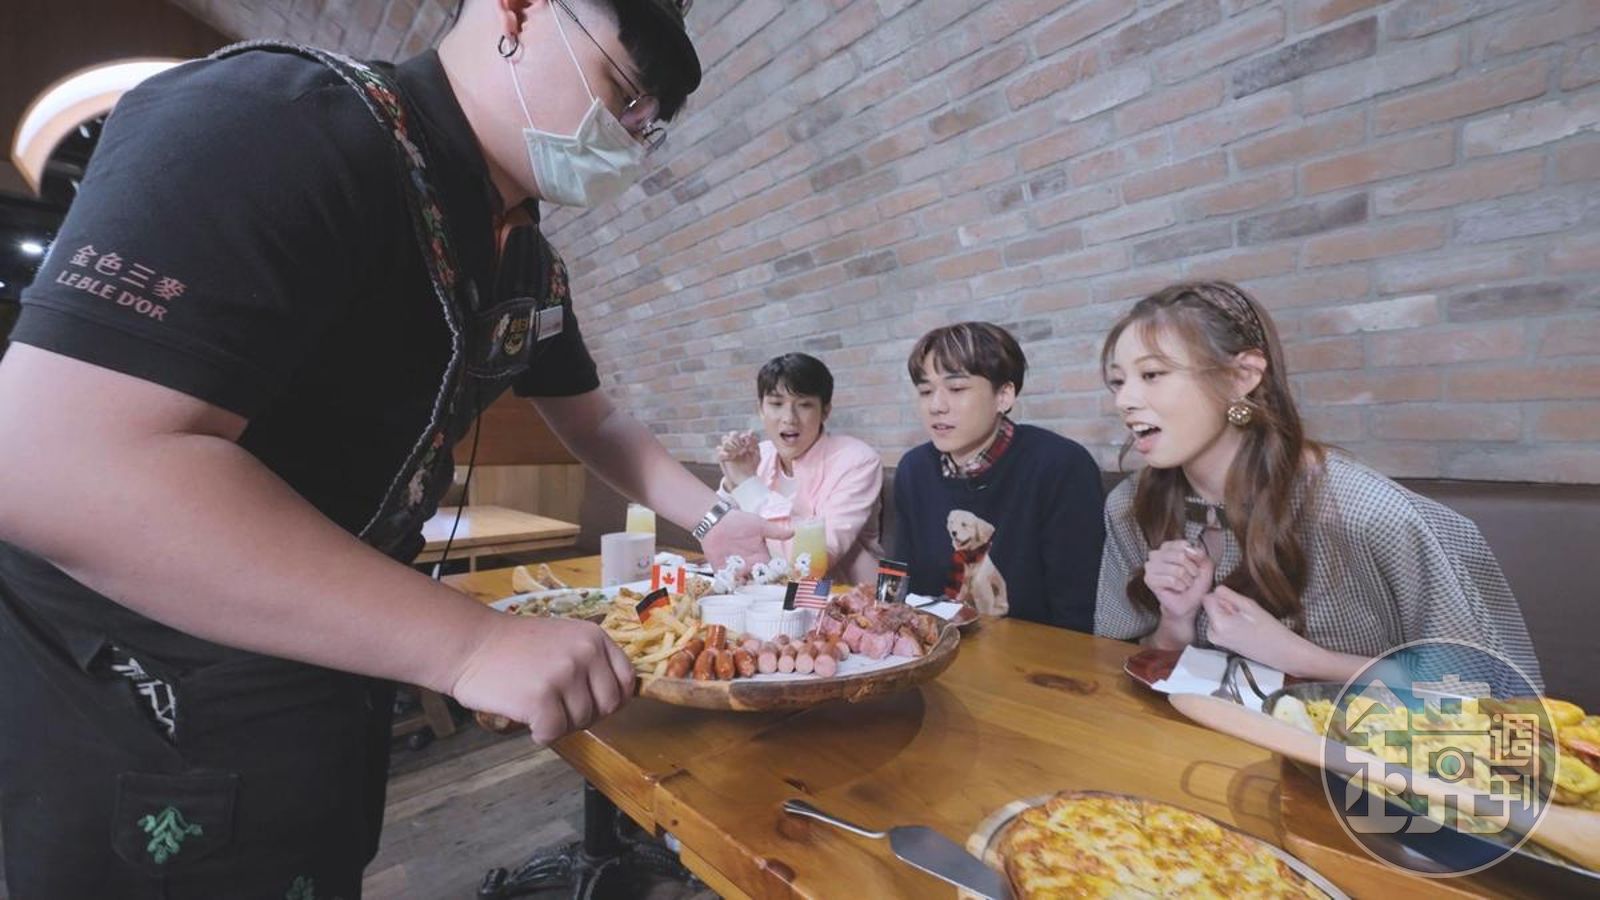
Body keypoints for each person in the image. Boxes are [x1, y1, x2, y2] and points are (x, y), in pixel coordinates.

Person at [0, 1, 789, 895]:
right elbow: (55, 460)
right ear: (519, 10)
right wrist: (469, 646)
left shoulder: (526, 260)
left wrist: (717, 519)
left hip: (332, 673)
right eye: (622, 88)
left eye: (649, 121)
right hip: (149, 698)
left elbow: (595, 423)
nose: (631, 132)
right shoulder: (282, 121)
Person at [1095, 281, 1542, 687]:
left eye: (1152, 374)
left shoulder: (1362, 511)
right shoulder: (1130, 505)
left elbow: (1485, 685)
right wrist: (1175, 621)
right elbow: (1117, 662)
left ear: (1241, 376)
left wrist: (1301, 657)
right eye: (1118, 381)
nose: (1125, 400)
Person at [892, 322, 1104, 631]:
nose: (936, 406)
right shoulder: (913, 470)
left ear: (1003, 395)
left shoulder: (1060, 466)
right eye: (925, 391)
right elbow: (899, 584)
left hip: (1035, 654)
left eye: (956, 388)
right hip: (935, 646)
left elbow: (1078, 613)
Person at [715, 353, 885, 585]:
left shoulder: (857, 460)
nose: (789, 418)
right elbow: (716, 535)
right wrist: (731, 484)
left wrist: (748, 486)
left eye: (804, 405)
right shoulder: (757, 456)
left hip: (843, 597)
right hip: (763, 594)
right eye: (776, 404)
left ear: (825, 411)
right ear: (761, 409)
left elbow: (808, 564)